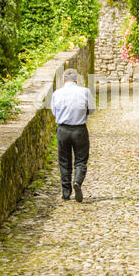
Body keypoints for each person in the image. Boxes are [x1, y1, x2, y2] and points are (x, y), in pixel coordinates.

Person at [51, 68, 95, 202]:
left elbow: (54, 112)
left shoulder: (56, 93)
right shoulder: (85, 91)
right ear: (77, 80)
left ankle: (66, 192)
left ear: (64, 80)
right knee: (81, 159)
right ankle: (77, 182)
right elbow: (91, 110)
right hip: (79, 130)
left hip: (63, 130)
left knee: (64, 161)